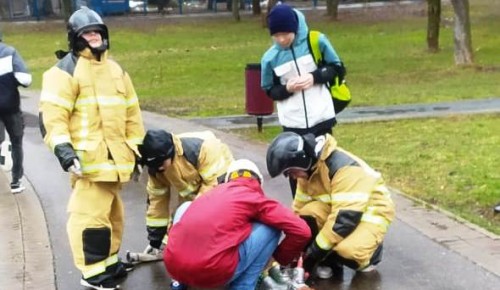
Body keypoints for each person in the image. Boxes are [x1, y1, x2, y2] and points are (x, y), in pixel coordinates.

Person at [39, 7, 145, 290]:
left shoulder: (116, 71)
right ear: (75, 38)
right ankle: (93, 273)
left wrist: (136, 151)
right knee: (90, 218)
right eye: (88, 33)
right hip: (88, 164)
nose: (94, 37)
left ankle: (108, 264)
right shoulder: (63, 72)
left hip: (115, 164)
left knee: (114, 217)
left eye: (97, 31)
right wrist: (64, 151)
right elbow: (53, 118)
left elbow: (132, 115)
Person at [164, 159, 311, 289]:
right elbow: (302, 230)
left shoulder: (211, 193)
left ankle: (178, 283)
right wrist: (279, 257)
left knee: (185, 208)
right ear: (258, 182)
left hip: (173, 265)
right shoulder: (254, 197)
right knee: (271, 227)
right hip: (211, 273)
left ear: (228, 180)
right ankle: (243, 286)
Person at [266, 132, 395, 280]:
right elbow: (298, 210)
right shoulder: (308, 171)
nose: (293, 177)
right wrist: (295, 248)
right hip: (340, 209)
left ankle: (370, 255)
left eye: (291, 172)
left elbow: (344, 220)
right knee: (308, 214)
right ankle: (329, 260)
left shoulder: (344, 168)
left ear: (301, 161)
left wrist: (313, 255)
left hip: (370, 211)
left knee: (348, 251)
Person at [126, 129, 234, 265]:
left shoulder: (201, 149)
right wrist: (156, 238)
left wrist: (190, 217)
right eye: (154, 166)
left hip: (221, 181)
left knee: (206, 217)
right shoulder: (157, 167)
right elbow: (157, 201)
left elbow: (213, 187)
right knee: (184, 215)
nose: (159, 169)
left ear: (170, 153)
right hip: (193, 188)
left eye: (161, 164)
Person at [260, 3, 346, 138]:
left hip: (322, 118)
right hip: (292, 124)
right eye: (276, 35)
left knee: (324, 157)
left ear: (294, 28)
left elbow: (337, 68)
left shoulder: (317, 41)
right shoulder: (269, 58)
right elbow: (270, 90)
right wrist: (287, 88)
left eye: (285, 34)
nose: (281, 39)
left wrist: (314, 77)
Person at [0, 30, 32, 193]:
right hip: (11, 106)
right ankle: (15, 181)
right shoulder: (9, 52)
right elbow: (25, 79)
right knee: (16, 142)